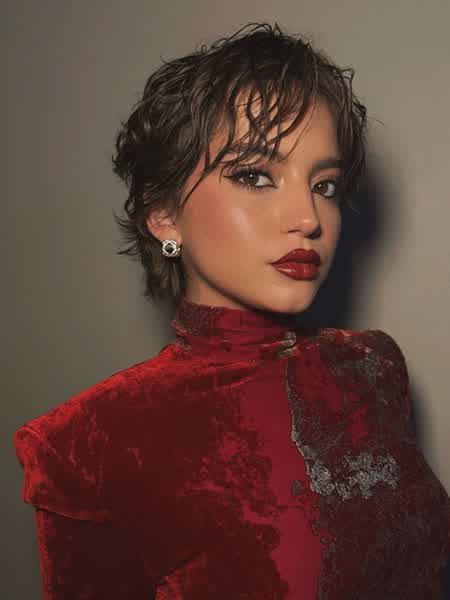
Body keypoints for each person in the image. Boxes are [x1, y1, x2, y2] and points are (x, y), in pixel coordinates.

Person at [14, 21, 450, 600]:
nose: (308, 218)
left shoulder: (375, 365)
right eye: (255, 176)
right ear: (164, 217)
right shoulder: (86, 443)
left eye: (324, 185)